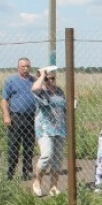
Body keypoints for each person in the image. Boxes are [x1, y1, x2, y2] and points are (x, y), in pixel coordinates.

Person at [31, 67, 66, 197]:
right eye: (47, 79)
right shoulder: (40, 91)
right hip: (45, 127)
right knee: (47, 155)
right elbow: (34, 88)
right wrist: (42, 75)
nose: (50, 81)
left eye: (52, 78)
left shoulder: (59, 91)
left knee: (57, 158)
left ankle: (53, 186)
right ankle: (37, 181)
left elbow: (64, 108)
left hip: (59, 128)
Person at [1, 58, 37, 180]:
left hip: (31, 117)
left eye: (28, 66)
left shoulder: (34, 81)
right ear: (18, 67)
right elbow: (4, 100)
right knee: (14, 145)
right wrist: (6, 115)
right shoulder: (11, 81)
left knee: (29, 145)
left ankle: (26, 171)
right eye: (23, 66)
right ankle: (10, 172)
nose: (26, 68)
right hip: (16, 117)